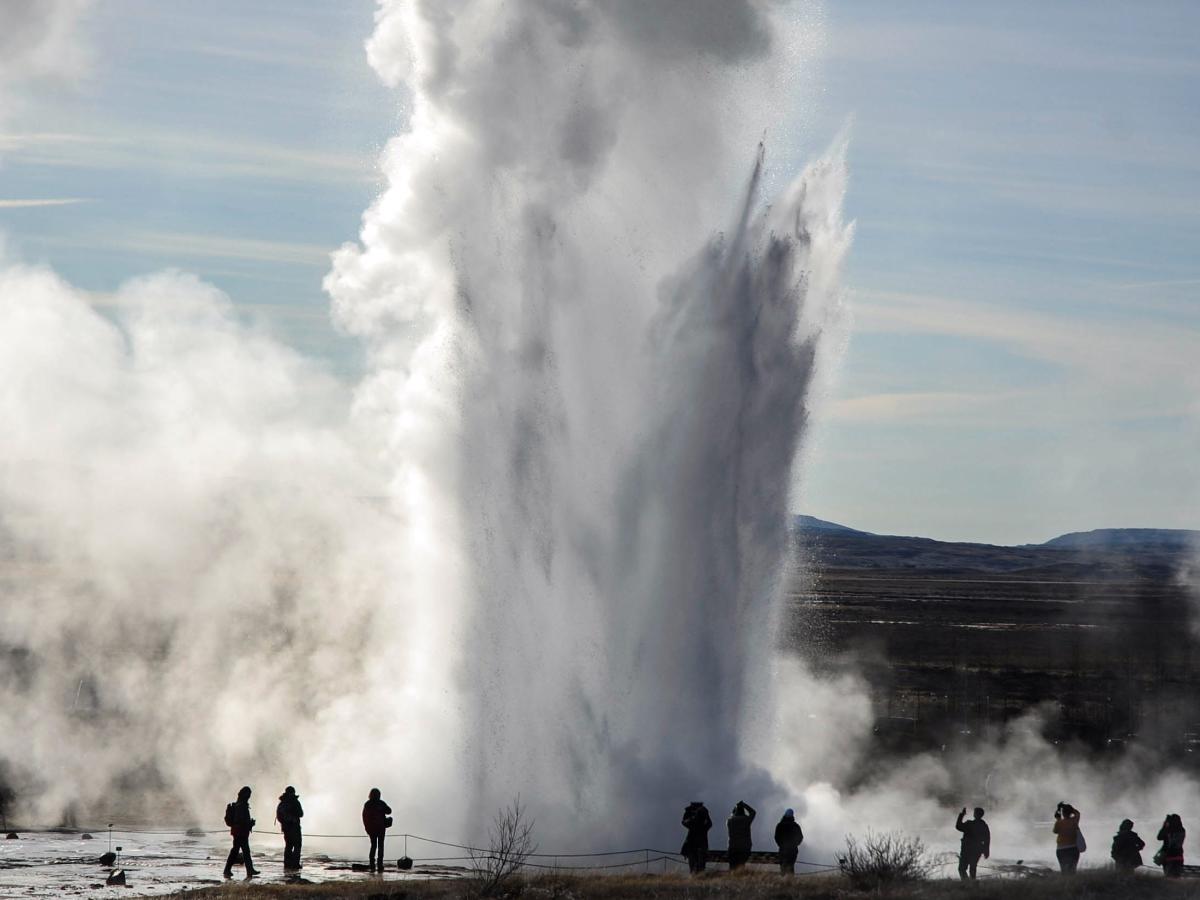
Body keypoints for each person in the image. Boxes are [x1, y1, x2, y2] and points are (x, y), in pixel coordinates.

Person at [223, 786, 258, 879]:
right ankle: (229, 870)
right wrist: (250, 823)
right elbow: (241, 820)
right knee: (241, 851)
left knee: (238, 851)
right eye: (248, 794)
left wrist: (249, 824)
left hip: (239, 831)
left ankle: (247, 869)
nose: (249, 796)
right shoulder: (241, 806)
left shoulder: (240, 804)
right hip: (240, 832)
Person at [955, 806, 990, 880]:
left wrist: (962, 815)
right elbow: (987, 839)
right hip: (977, 850)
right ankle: (972, 883)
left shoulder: (969, 824)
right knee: (973, 868)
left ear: (975, 814)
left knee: (962, 868)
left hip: (967, 849)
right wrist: (986, 851)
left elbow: (958, 826)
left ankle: (966, 883)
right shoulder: (984, 826)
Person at [362, 788, 392, 873]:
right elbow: (389, 811)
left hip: (371, 829)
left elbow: (365, 818)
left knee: (373, 846)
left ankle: (372, 864)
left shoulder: (367, 804)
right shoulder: (381, 803)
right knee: (380, 846)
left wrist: (367, 828)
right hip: (381, 829)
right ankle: (380, 865)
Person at [276, 785, 304, 871]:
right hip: (294, 827)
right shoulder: (295, 802)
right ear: (293, 792)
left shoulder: (282, 803)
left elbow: (279, 816)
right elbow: (301, 814)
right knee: (297, 845)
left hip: (286, 828)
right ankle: (295, 864)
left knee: (288, 846)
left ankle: (287, 864)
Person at [680, 801, 712, 874]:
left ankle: (695, 879)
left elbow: (684, 822)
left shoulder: (693, 823)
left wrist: (692, 817)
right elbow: (710, 824)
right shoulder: (704, 823)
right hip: (701, 843)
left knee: (693, 867)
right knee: (700, 867)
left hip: (692, 843)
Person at [726, 800, 756, 871]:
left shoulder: (729, 821)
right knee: (741, 866)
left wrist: (735, 808)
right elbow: (753, 812)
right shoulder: (747, 820)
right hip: (744, 848)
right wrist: (744, 805)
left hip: (732, 847)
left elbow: (731, 814)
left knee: (732, 867)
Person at [1052, 802, 1081, 874]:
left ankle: (1065, 884)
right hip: (1073, 848)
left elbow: (1055, 831)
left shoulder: (1059, 823)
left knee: (1064, 870)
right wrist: (1067, 807)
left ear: (1063, 813)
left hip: (1061, 849)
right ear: (1071, 813)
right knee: (1072, 870)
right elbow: (1077, 813)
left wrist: (1058, 819)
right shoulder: (1074, 821)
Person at [773, 808, 804, 875]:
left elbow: (776, 837)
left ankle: (783, 882)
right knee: (791, 867)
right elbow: (800, 837)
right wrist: (795, 844)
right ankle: (790, 881)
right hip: (793, 850)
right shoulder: (796, 826)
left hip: (783, 850)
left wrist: (781, 845)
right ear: (792, 816)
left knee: (783, 867)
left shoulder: (780, 825)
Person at [1156, 813, 1185, 878]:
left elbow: (1159, 837)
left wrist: (1164, 826)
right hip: (1179, 856)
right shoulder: (1182, 830)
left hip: (1168, 856)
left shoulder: (1168, 830)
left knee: (1168, 876)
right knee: (1177, 877)